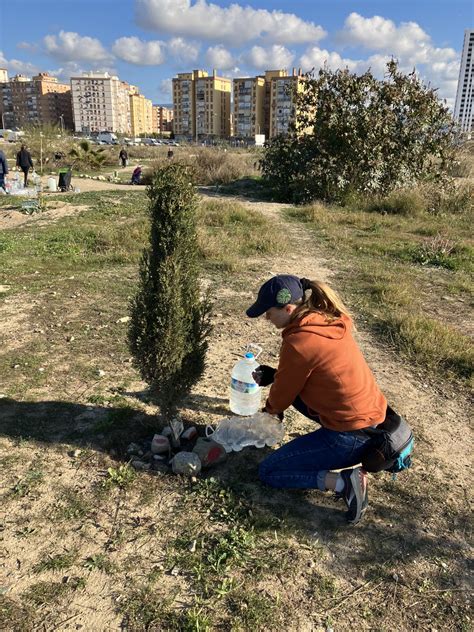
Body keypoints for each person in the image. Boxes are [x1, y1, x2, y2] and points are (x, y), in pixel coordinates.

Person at [247, 274, 389, 525]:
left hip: (350, 435)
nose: (266, 318)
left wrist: (270, 413)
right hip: (374, 420)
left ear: (288, 308)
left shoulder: (300, 341)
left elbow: (280, 398)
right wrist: (277, 376)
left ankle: (344, 482)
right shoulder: (326, 321)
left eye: (268, 312)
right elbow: (310, 372)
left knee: (270, 471)